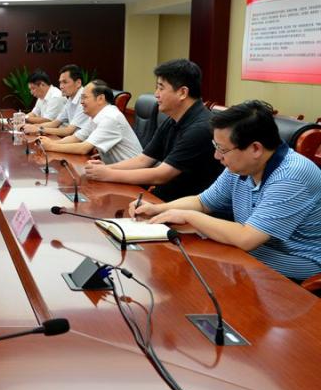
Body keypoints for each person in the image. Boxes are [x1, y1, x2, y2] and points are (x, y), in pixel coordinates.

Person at [131, 101, 321, 282]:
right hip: (250, 253)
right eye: (216, 147)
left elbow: (247, 238)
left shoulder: (292, 175)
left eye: (222, 149)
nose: (217, 156)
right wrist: (158, 209)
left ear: (255, 148)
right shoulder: (243, 166)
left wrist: (188, 216)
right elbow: (202, 202)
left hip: (295, 269)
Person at [84, 59, 222, 201]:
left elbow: (162, 175)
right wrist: (106, 169)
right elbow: (143, 160)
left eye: (161, 88)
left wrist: (108, 174)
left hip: (184, 205)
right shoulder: (173, 119)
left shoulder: (200, 128)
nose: (156, 94)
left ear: (182, 92)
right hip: (164, 197)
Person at [38, 79, 142, 164]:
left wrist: (51, 146)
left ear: (100, 99)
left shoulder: (110, 117)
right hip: (114, 169)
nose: (81, 102)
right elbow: (76, 138)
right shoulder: (95, 116)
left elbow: (84, 148)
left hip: (133, 174)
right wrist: (50, 143)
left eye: (85, 98)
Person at [23, 64, 91, 138]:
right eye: (60, 82)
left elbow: (69, 131)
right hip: (72, 138)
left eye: (65, 82)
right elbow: (55, 123)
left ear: (78, 83)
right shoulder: (71, 98)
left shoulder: (85, 99)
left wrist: (39, 129)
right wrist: (32, 127)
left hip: (83, 141)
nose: (61, 86)